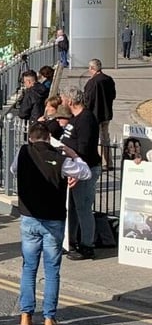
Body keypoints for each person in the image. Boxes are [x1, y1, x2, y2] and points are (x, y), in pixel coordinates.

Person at [12, 122, 92, 325]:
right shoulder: (60, 159)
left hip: (29, 218)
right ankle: (49, 317)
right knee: (52, 270)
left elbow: (13, 170)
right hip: (53, 220)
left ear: (30, 138)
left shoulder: (23, 152)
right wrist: (73, 154)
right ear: (48, 138)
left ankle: (26, 315)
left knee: (29, 268)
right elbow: (85, 173)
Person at [57, 86, 102, 261]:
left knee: (83, 208)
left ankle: (87, 245)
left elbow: (83, 148)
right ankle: (73, 241)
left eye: (62, 99)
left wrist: (76, 173)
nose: (61, 103)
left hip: (85, 170)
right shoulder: (76, 118)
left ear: (70, 101)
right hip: (75, 169)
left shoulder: (86, 119)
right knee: (74, 209)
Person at [82, 59, 116, 169]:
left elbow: (88, 99)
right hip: (106, 113)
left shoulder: (92, 82)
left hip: (94, 114)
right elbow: (113, 95)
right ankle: (108, 162)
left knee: (96, 139)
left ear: (92, 68)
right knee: (105, 138)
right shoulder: (108, 79)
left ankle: (100, 162)